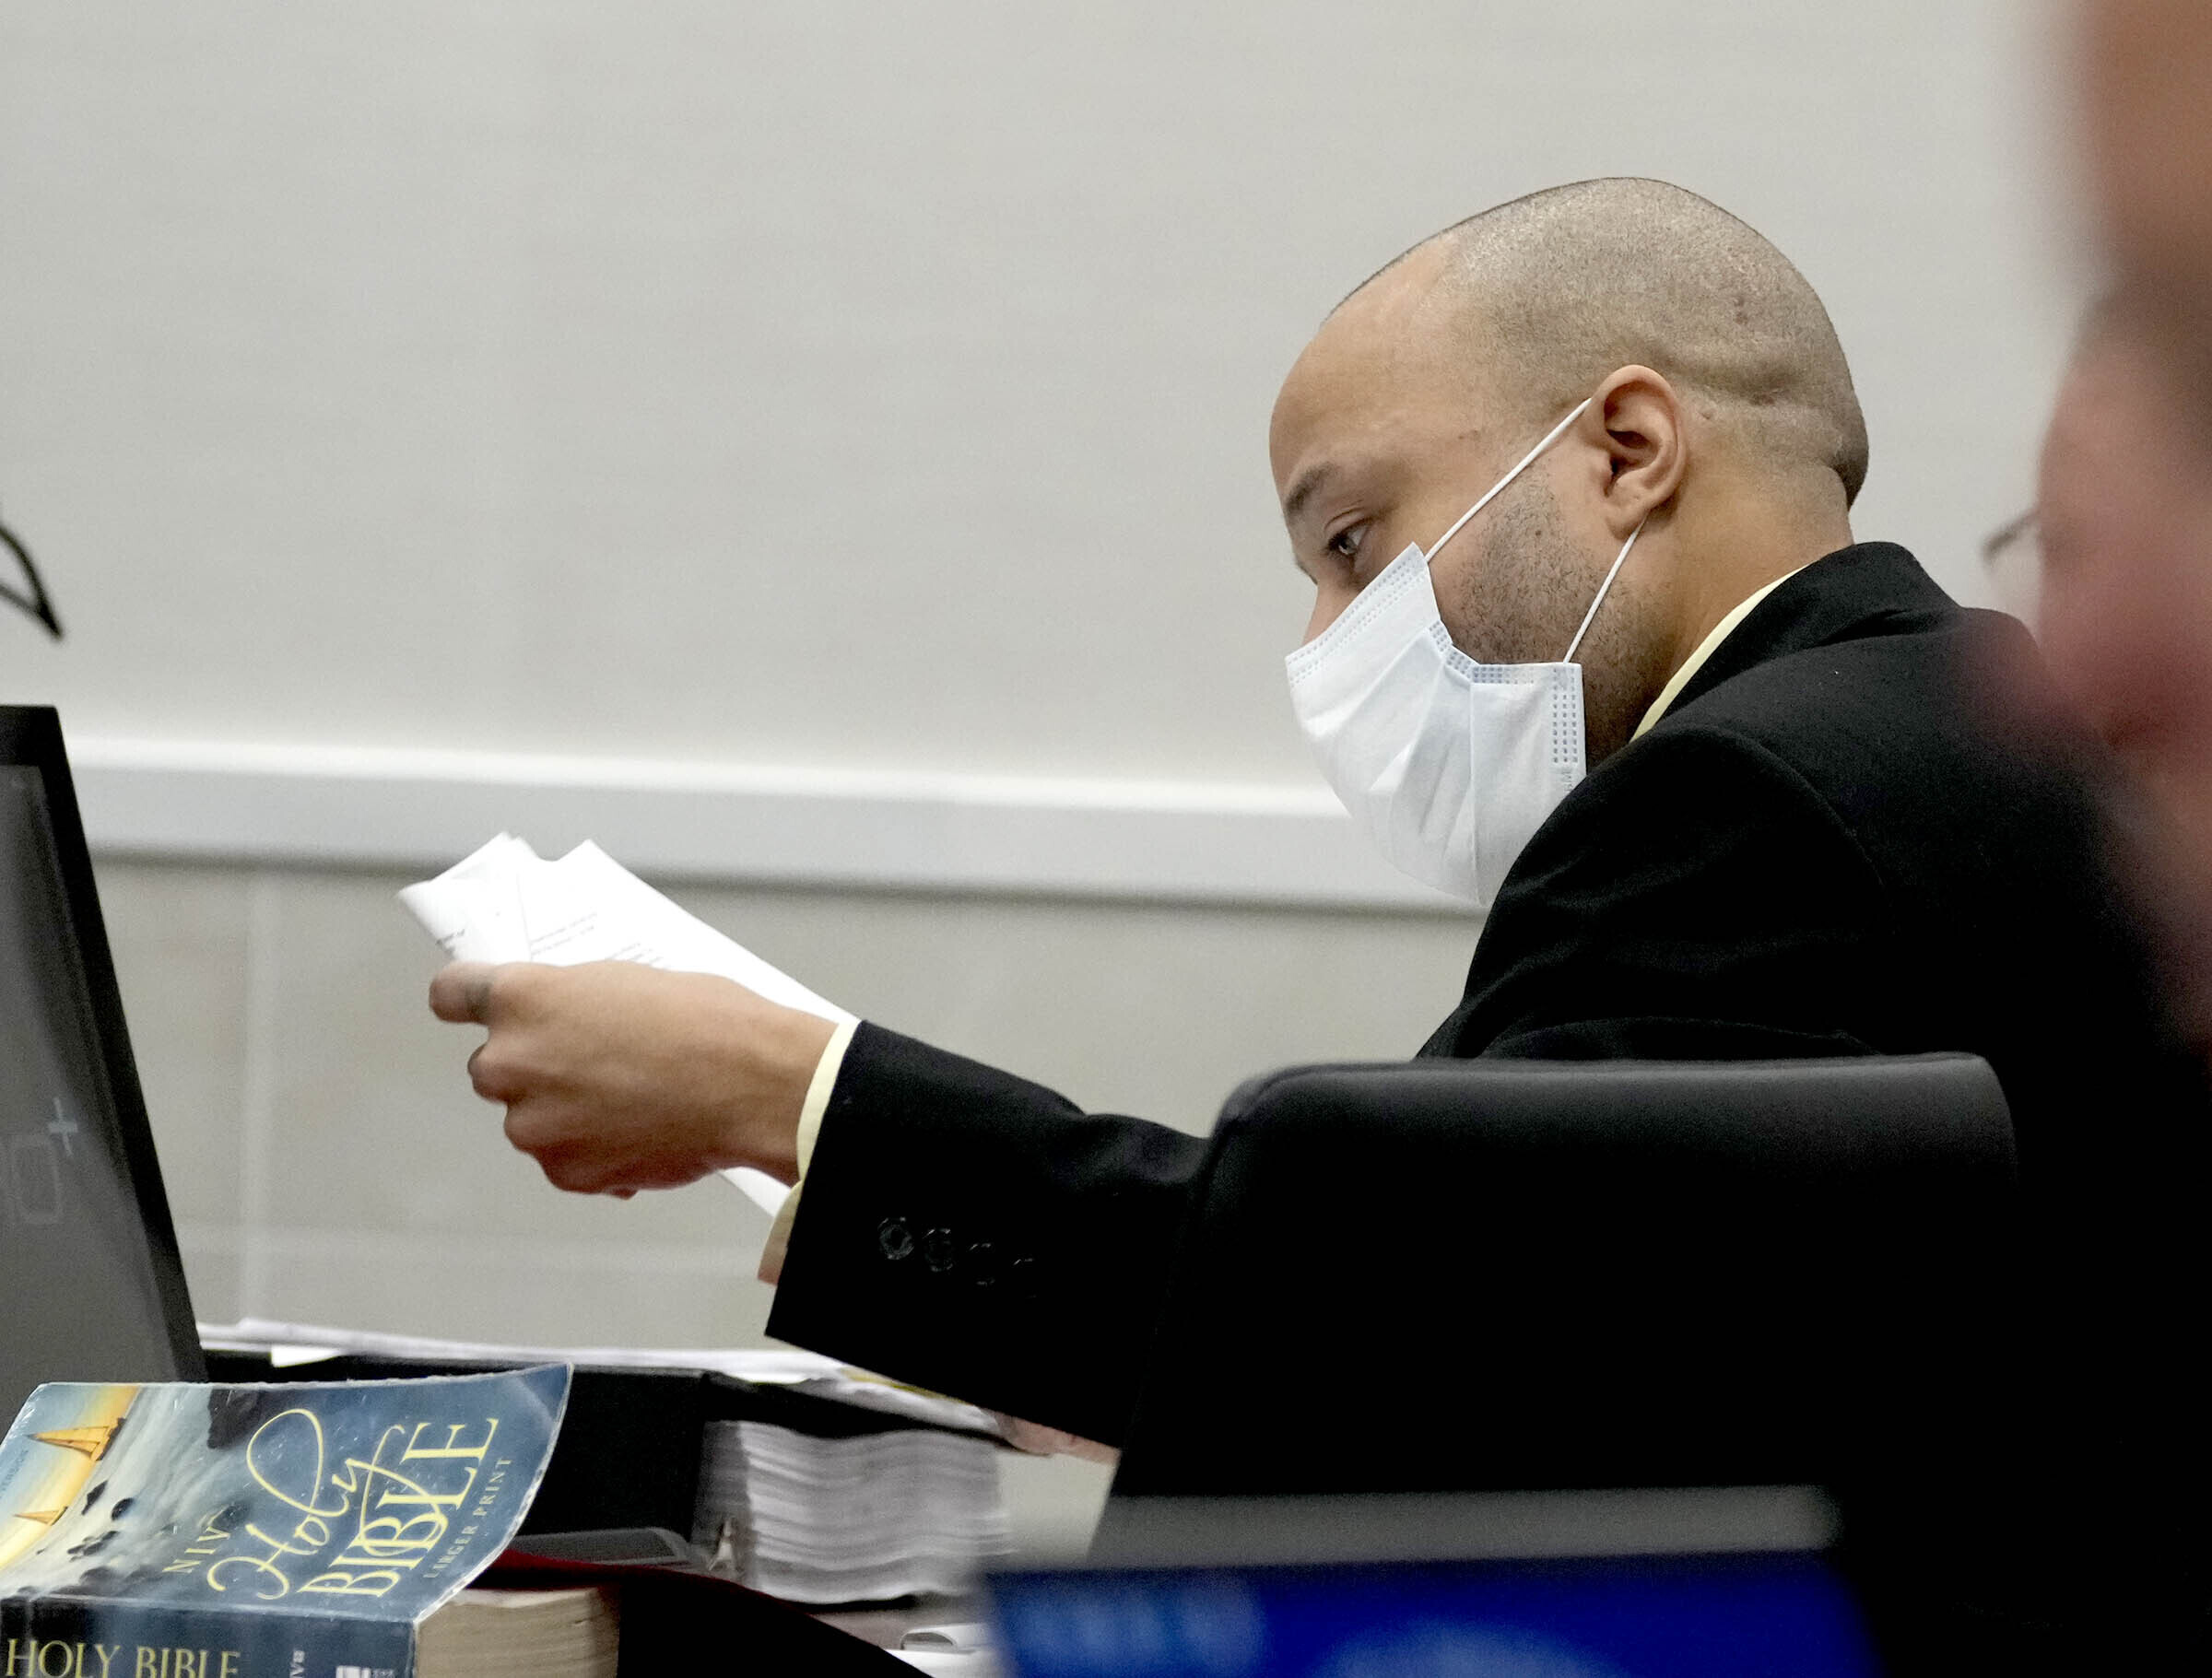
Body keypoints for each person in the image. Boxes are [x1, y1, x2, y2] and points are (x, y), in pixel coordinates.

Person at [431, 179, 2201, 1481]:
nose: (1325, 642)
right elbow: (1528, 1311)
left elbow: (1402, 1332)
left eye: (1351, 542)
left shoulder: (1738, 804)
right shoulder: (1935, 724)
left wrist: (790, 1091)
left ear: (1631, 446)